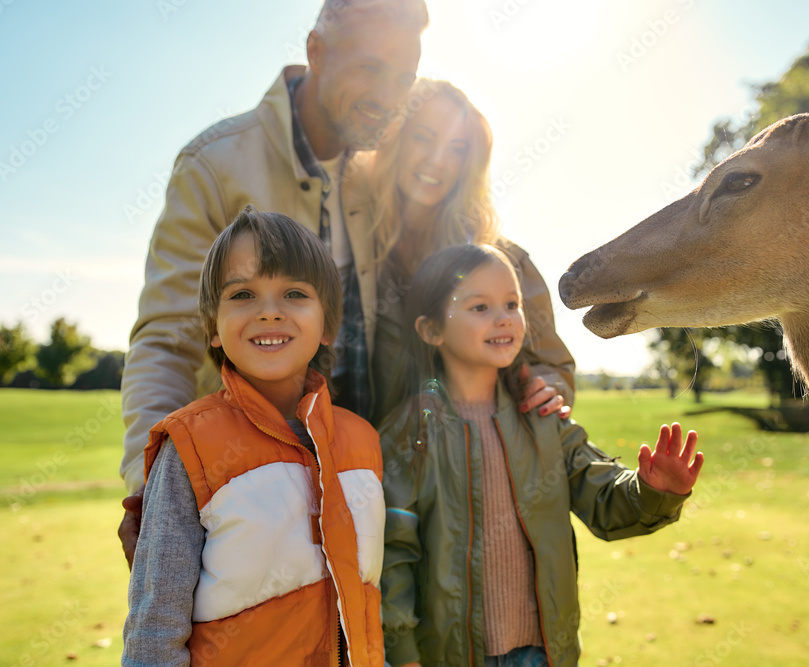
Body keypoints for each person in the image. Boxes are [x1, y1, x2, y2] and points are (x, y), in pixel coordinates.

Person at [117, 0, 429, 567]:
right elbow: (166, 339)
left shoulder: (378, 177)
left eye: (403, 76)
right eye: (369, 67)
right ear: (316, 50)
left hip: (360, 497)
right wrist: (150, 481)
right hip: (244, 502)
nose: (387, 94)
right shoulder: (216, 163)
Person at [379, 244, 704, 667]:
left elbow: (602, 497)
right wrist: (402, 653)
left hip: (543, 653)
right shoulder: (410, 431)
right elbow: (393, 552)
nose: (504, 318)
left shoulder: (544, 418)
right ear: (431, 330)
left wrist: (653, 491)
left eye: (512, 304)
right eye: (479, 306)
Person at [123, 206, 386, 665]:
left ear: (328, 325)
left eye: (294, 293)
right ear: (213, 328)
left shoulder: (361, 440)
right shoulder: (188, 446)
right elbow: (155, 628)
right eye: (243, 294)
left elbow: (366, 603)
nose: (269, 312)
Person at [364, 79, 575, 424]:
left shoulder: (506, 261)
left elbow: (552, 364)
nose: (437, 160)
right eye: (423, 138)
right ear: (394, 139)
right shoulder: (351, 246)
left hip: (481, 461)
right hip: (380, 462)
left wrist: (551, 385)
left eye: (456, 148)